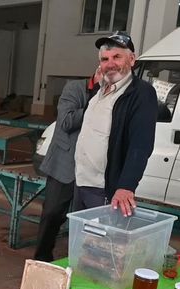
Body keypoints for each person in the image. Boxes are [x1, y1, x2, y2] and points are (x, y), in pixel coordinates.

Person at [73, 31, 158, 217]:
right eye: (105, 59)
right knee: (83, 239)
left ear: (132, 59)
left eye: (117, 57)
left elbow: (141, 144)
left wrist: (126, 186)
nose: (110, 64)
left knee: (102, 243)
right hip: (82, 183)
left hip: (104, 188)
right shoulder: (101, 90)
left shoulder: (141, 93)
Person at [34, 69, 102, 262]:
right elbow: (66, 122)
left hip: (93, 168)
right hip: (65, 165)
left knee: (89, 221)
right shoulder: (74, 89)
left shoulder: (117, 96)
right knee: (52, 214)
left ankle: (84, 264)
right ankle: (42, 259)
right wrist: (97, 103)